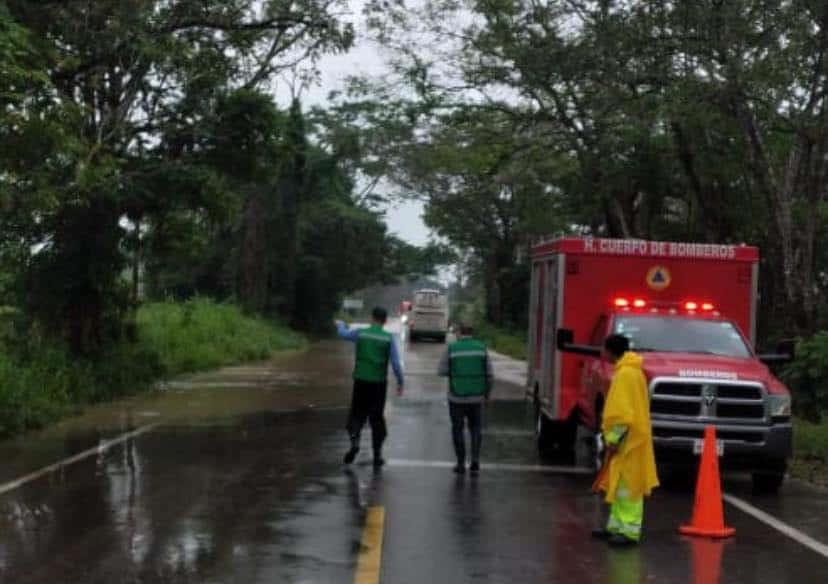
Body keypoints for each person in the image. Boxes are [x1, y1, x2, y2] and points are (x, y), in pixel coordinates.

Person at [593, 334, 659, 545]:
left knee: (629, 487)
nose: (602, 353)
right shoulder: (630, 372)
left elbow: (623, 413)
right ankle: (617, 527)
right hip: (629, 440)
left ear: (611, 351)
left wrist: (613, 439)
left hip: (628, 442)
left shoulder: (625, 375)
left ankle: (629, 532)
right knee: (620, 485)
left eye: (604, 349)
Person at [336, 307, 404, 469]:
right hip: (378, 384)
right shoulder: (388, 338)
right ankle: (377, 455)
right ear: (385, 321)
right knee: (376, 418)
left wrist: (340, 324)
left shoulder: (361, 333)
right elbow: (395, 363)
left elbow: (343, 334)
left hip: (361, 381)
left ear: (372, 318)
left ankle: (354, 442)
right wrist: (400, 382)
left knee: (357, 414)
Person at [437, 324, 493, 475]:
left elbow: (441, 371)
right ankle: (475, 460)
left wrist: (455, 371)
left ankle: (461, 463)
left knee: (457, 428)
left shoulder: (452, 348)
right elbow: (489, 374)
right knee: (476, 428)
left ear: (460, 333)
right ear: (472, 333)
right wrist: (487, 394)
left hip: (456, 397)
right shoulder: (482, 348)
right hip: (477, 397)